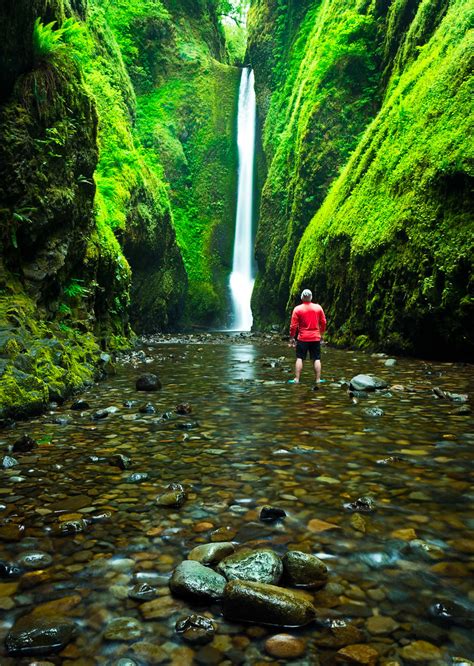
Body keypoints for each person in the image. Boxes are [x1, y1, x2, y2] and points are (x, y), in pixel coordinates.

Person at [288, 288, 326, 385]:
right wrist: (321, 334)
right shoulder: (318, 308)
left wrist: (292, 337)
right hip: (315, 337)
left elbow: (293, 326)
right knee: (316, 358)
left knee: (300, 358)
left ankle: (297, 379)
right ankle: (318, 380)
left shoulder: (297, 309)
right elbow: (323, 322)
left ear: (302, 297)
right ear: (311, 297)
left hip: (302, 338)